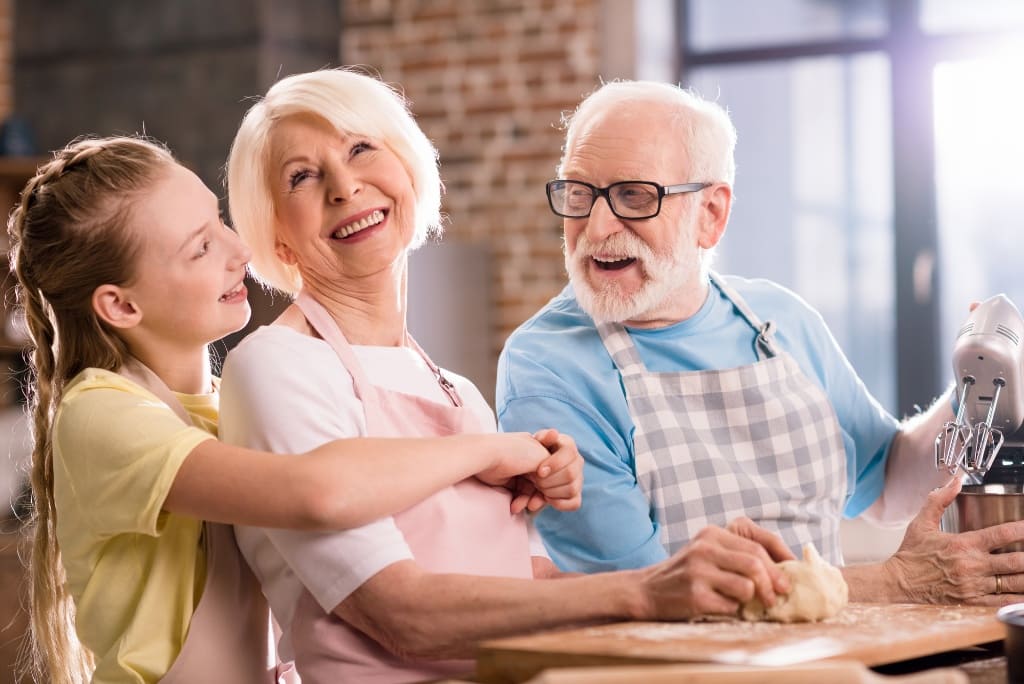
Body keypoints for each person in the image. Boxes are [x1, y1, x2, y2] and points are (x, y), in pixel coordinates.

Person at [220, 67, 800, 684]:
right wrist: (649, 590)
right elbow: (400, 613)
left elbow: (530, 587)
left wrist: (714, 593)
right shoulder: (277, 366)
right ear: (276, 234)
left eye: (361, 148)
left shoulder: (456, 392)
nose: (344, 186)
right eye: (302, 177)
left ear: (409, 168)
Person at [8, 136, 584, 684]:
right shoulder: (101, 415)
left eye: (220, 224)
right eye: (200, 247)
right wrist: (487, 449)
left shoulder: (216, 402)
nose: (240, 251)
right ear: (120, 305)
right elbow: (319, 493)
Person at [496, 79, 1024, 605]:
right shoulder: (547, 364)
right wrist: (897, 581)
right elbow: (657, 597)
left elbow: (886, 487)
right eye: (579, 192)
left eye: (634, 195)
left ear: (711, 215)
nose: (596, 223)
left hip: (833, 656)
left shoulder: (779, 318)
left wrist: (972, 393)